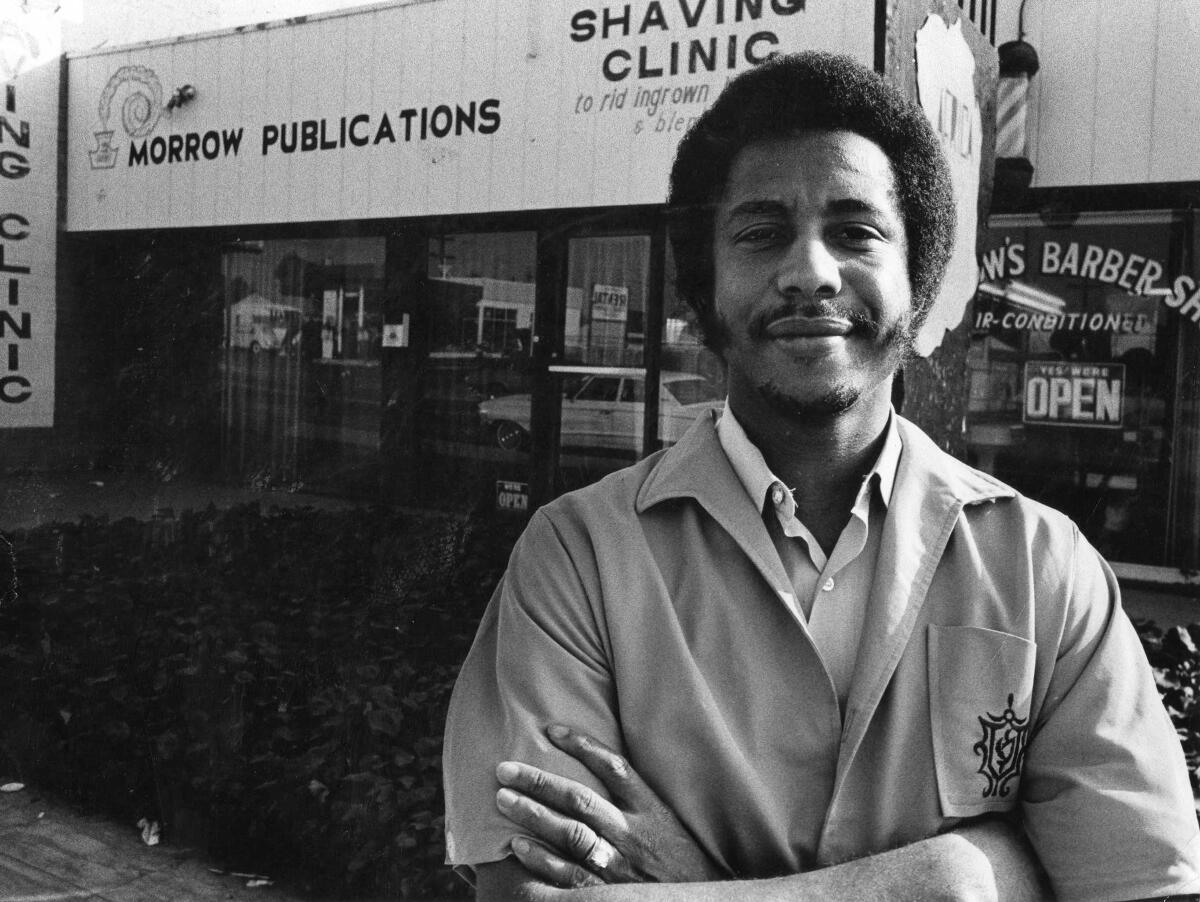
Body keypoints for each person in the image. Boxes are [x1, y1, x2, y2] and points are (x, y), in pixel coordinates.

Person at [442, 51, 1200, 901]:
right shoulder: (578, 557)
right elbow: (529, 896)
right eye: (762, 232)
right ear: (703, 290)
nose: (810, 271)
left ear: (919, 279)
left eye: (855, 230)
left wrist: (693, 887)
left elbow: (1145, 889)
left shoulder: (1042, 567)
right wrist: (949, 877)